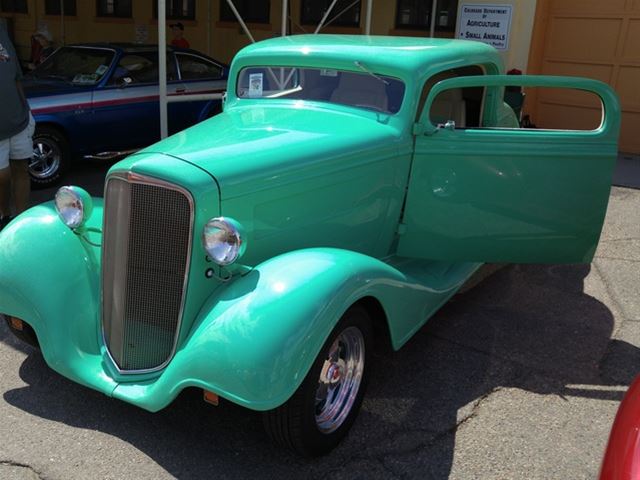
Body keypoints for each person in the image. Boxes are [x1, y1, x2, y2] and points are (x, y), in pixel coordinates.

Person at [0, 18, 34, 231]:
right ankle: (4, 214)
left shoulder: (2, 31)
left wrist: (27, 110)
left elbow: (16, 77)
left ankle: (21, 221)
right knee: (2, 177)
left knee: (22, 168)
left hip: (19, 118)